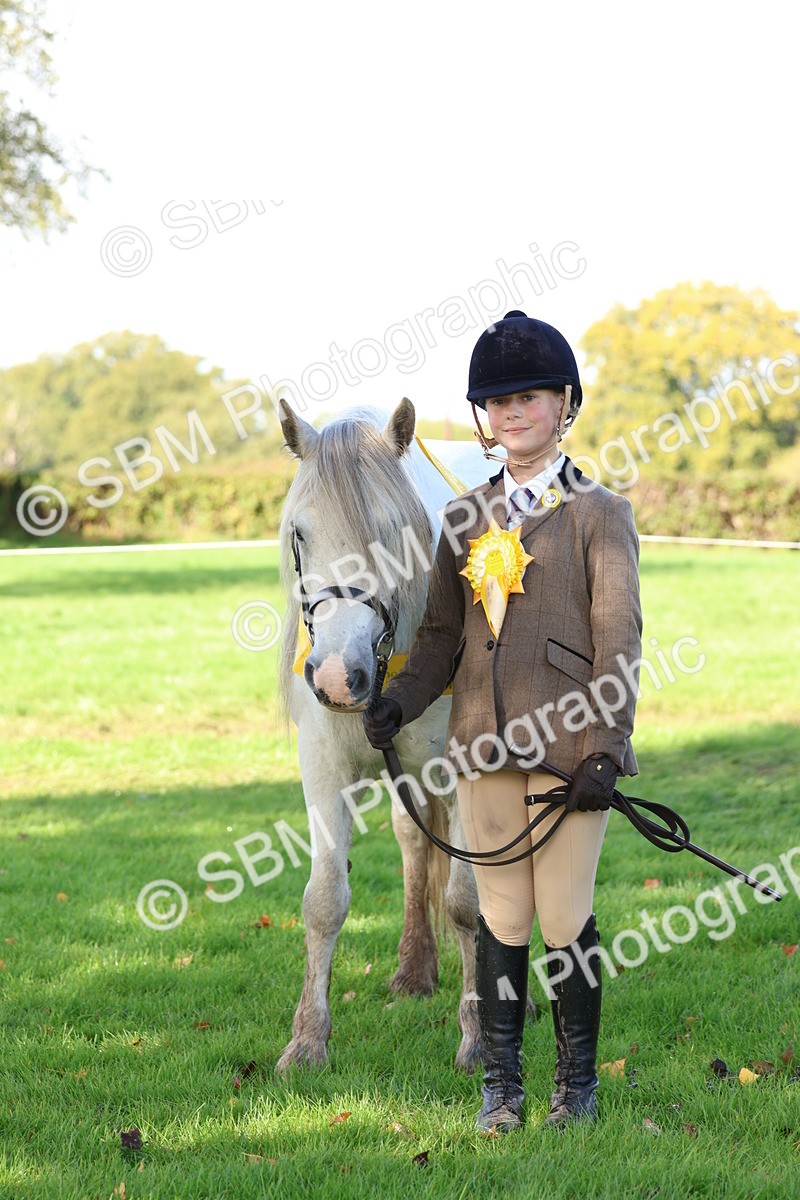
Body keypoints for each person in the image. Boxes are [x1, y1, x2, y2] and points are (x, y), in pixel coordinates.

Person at [363, 310, 643, 1132]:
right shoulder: (464, 519)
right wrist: (401, 701)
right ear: (484, 417)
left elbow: (619, 638)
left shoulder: (600, 514)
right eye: (498, 402)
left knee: (562, 918)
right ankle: (503, 1087)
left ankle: (577, 1087)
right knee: (501, 919)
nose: (513, 413)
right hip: (482, 748)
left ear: (565, 403)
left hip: (567, 754)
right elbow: (445, 636)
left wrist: (605, 747)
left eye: (530, 397)